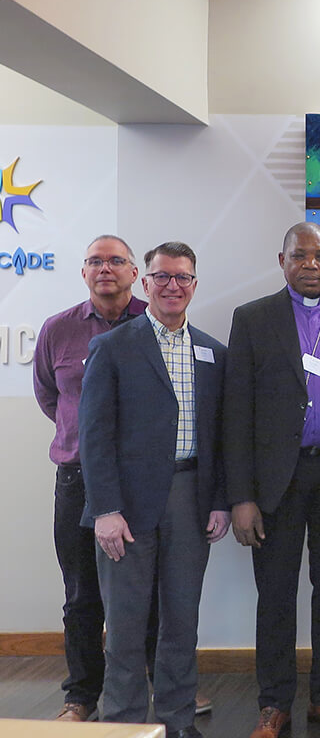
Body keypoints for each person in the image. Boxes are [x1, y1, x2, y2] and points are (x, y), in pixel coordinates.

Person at [224, 223, 320, 738]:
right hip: (275, 483)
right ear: (282, 260)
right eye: (301, 256)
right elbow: (236, 414)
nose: (312, 265)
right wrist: (241, 497)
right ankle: (274, 703)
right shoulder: (252, 319)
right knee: (276, 594)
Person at [79, 241, 229, 738]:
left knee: (181, 622)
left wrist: (221, 502)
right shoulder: (112, 346)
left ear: (194, 285)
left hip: (191, 499)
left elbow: (221, 435)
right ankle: (122, 725)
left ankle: (177, 722)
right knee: (124, 626)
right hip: (128, 506)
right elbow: (94, 436)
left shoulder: (213, 352)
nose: (172, 286)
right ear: (145, 284)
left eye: (182, 277)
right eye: (162, 277)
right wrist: (105, 509)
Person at [34, 235, 146, 722]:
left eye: (116, 261)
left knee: (152, 590)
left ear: (135, 272)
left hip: (143, 478)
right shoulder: (58, 329)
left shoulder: (155, 321)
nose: (106, 269)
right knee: (81, 595)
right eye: (96, 262)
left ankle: (160, 683)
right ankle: (81, 696)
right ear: (83, 273)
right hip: (77, 478)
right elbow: (49, 396)